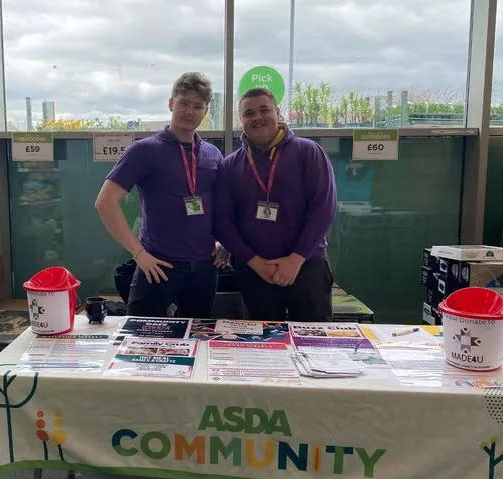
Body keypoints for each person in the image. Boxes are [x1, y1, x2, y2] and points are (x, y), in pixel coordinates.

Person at [95, 72, 227, 318]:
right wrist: (138, 254)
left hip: (204, 269)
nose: (189, 111)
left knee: (197, 342)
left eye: (197, 106)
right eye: (183, 103)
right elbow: (105, 202)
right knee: (140, 343)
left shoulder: (212, 155)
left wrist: (223, 242)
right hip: (158, 266)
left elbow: (223, 206)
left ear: (205, 111)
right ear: (170, 104)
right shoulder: (144, 151)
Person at [216, 87, 337, 322]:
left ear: (278, 112)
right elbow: (222, 221)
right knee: (263, 347)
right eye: (249, 113)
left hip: (306, 266)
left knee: (313, 344)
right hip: (256, 271)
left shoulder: (308, 152)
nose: (257, 117)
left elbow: (323, 208)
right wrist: (256, 264)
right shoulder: (230, 166)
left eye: (264, 110)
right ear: (241, 120)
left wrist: (296, 259)